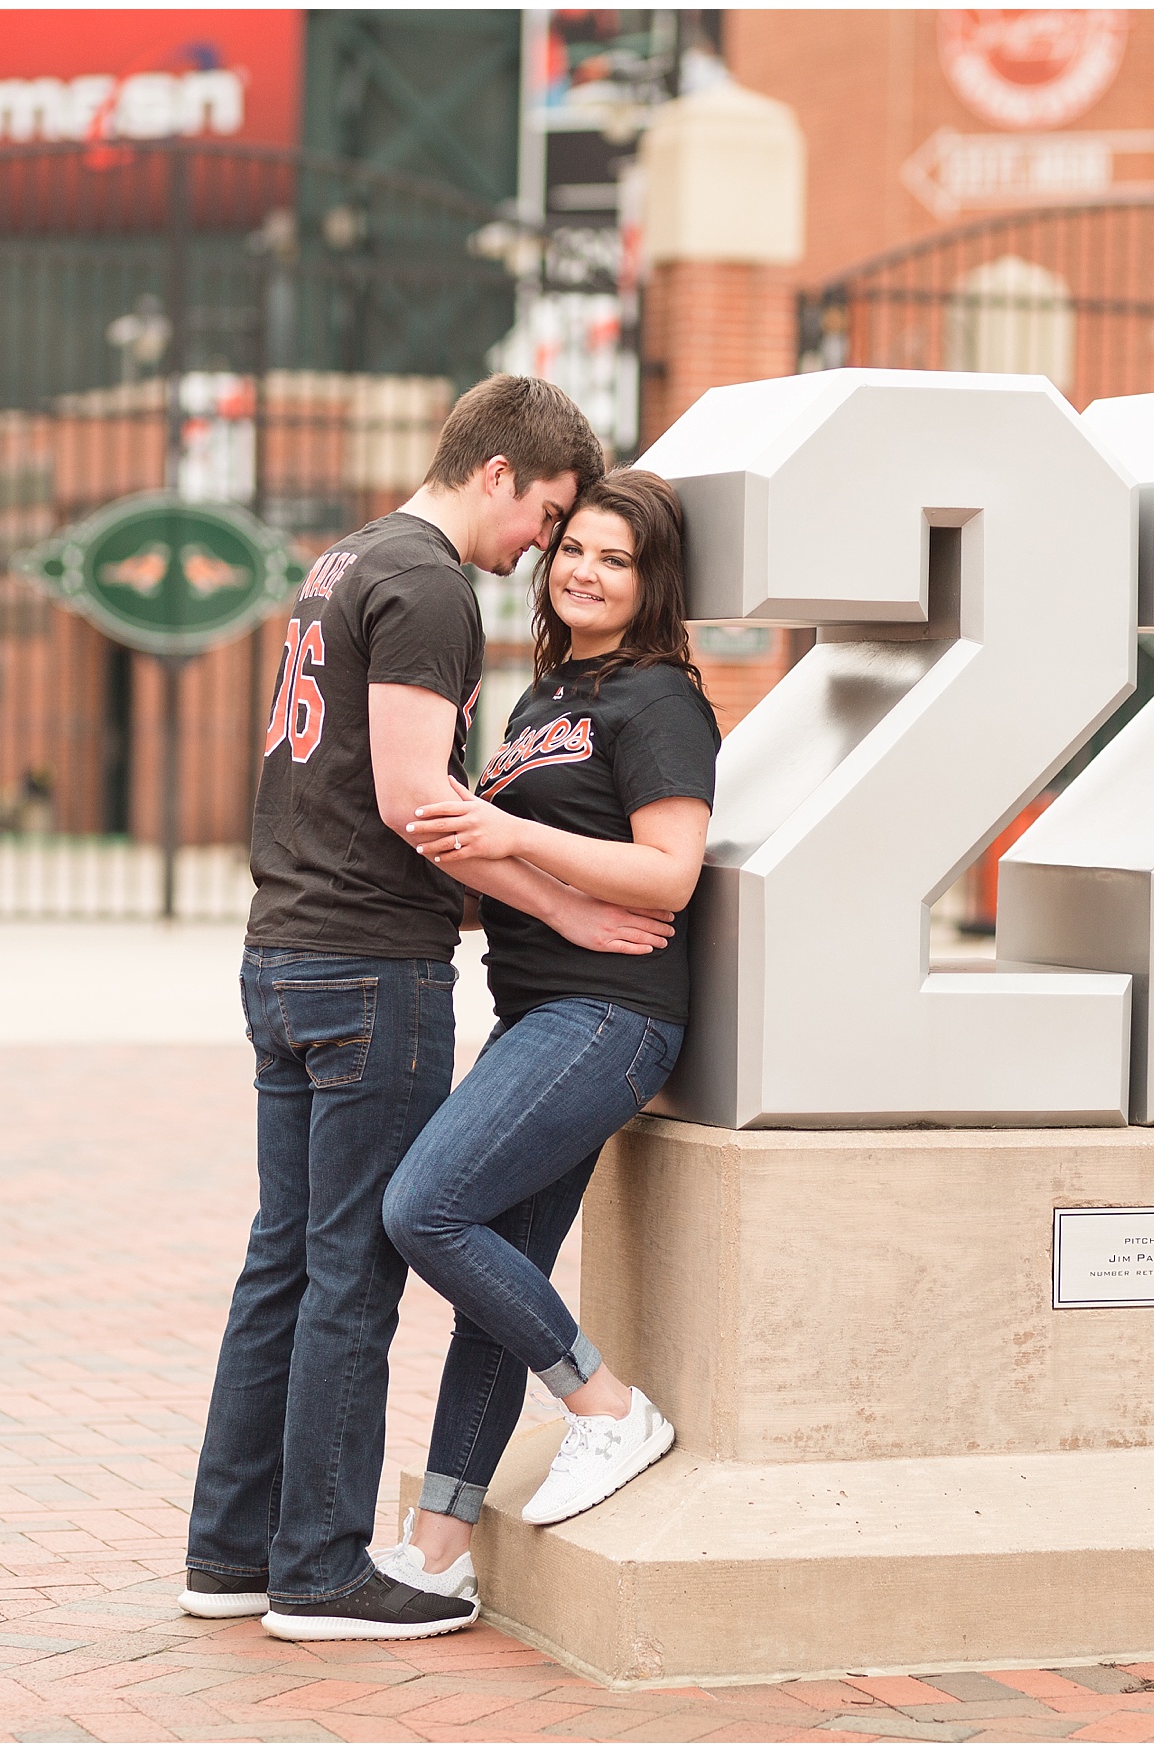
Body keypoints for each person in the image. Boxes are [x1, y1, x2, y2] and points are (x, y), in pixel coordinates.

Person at [180, 377, 675, 1644]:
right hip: (362, 968)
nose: (540, 550)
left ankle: (231, 1551)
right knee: (353, 1266)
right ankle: (323, 1570)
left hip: (284, 950)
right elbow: (417, 801)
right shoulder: (429, 583)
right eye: (549, 516)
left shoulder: (342, 563)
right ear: (500, 473)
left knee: (283, 1261)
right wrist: (563, 914)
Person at [372, 469, 719, 1600]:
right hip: (536, 1012)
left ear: (652, 582)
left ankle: (605, 1407)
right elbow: (507, 851)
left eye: (616, 560)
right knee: (496, 1274)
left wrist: (503, 827)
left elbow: (669, 872)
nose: (583, 570)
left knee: (424, 1209)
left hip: (608, 1017)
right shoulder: (543, 701)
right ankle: (438, 1552)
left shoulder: (658, 700)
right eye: (575, 547)